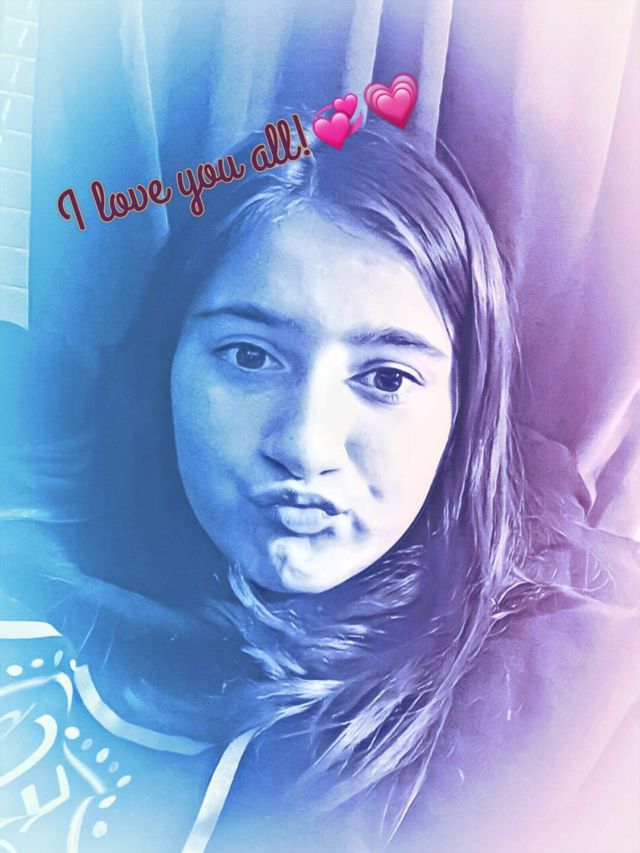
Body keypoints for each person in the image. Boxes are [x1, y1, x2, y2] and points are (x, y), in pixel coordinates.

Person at [1, 127, 637, 853]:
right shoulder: (32, 485)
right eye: (249, 356)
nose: (305, 446)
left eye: (387, 378)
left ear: (464, 411)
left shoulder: (575, 699)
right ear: (167, 359)